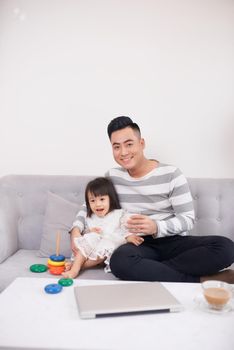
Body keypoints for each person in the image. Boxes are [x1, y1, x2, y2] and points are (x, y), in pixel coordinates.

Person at [70, 116, 234, 283]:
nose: (124, 152)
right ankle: (198, 279)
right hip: (137, 244)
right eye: (116, 147)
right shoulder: (112, 176)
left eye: (129, 144)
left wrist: (156, 227)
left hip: (173, 242)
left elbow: (188, 219)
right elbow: (89, 205)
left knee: (226, 248)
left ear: (141, 143)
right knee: (119, 262)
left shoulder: (171, 174)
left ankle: (149, 269)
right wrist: (76, 229)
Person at [63, 177, 144, 279]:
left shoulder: (118, 214)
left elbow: (124, 228)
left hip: (107, 249)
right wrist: (89, 231)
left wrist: (129, 236)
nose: (97, 204)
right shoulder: (90, 217)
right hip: (91, 250)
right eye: (92, 201)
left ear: (111, 198)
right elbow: (84, 235)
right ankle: (76, 266)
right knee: (89, 238)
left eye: (102, 199)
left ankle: (76, 267)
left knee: (107, 244)